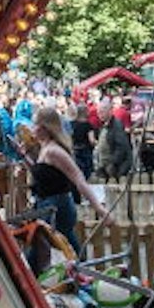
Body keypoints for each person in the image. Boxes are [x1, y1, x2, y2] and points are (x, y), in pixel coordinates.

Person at [21, 107, 114, 274]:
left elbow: (78, 178)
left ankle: (29, 284)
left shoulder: (55, 151)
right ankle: (82, 274)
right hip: (48, 205)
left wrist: (99, 208)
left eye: (35, 124)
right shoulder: (45, 148)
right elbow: (42, 174)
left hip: (57, 206)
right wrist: (24, 157)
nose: (32, 128)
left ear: (45, 127)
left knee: (42, 251)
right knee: (67, 249)